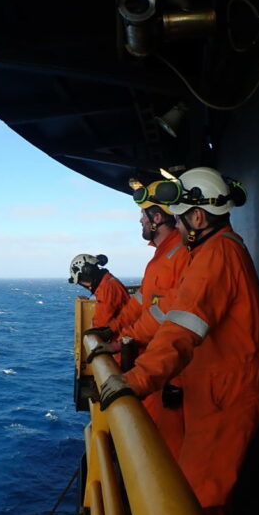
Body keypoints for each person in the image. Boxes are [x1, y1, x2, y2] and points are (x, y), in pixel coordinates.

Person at [92, 167, 259, 515]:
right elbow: (172, 315)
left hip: (224, 394)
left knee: (199, 507)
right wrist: (123, 343)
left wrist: (137, 379)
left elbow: (182, 327)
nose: (177, 223)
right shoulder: (214, 251)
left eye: (181, 216)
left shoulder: (217, 255)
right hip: (214, 389)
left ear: (197, 217)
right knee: (193, 494)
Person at [87, 181, 190, 460]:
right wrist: (111, 330)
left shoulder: (180, 254)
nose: (140, 220)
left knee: (173, 450)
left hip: (173, 369)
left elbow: (164, 314)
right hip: (154, 361)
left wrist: (118, 342)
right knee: (152, 437)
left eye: (144, 214)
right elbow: (139, 304)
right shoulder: (160, 257)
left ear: (158, 217)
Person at [68, 253, 129, 327]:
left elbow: (101, 326)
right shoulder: (106, 282)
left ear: (86, 275)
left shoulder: (107, 288)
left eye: (81, 282)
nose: (84, 286)